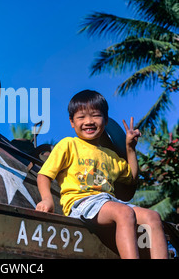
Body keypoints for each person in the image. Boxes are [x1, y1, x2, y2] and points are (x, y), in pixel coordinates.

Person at [35, 90, 168, 259]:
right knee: (125, 213)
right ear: (72, 122)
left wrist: (130, 149)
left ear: (105, 120)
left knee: (153, 217)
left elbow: (131, 179)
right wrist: (47, 199)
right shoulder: (68, 144)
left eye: (95, 116)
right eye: (81, 117)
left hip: (109, 202)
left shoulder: (110, 155)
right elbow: (44, 175)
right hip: (81, 203)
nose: (89, 121)